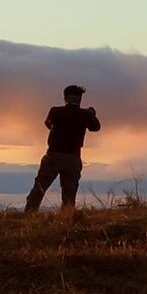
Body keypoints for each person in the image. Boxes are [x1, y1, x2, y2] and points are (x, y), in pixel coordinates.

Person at [24, 85, 101, 214]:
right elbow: (96, 127)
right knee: (69, 194)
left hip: (53, 155)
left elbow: (48, 124)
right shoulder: (84, 114)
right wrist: (91, 113)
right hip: (72, 158)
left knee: (39, 188)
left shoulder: (55, 111)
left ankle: (29, 215)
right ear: (79, 99)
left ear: (65, 98)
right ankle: (66, 218)